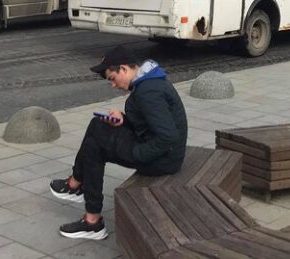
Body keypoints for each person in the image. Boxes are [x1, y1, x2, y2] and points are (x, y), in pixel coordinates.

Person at [50, 46, 188, 240]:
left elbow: (168, 136)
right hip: (161, 151)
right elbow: (152, 123)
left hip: (161, 160)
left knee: (94, 143)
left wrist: (137, 154)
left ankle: (88, 211)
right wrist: (125, 119)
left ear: (123, 69)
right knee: (98, 125)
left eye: (112, 79)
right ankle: (79, 192)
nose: (113, 85)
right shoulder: (149, 81)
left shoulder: (148, 92)